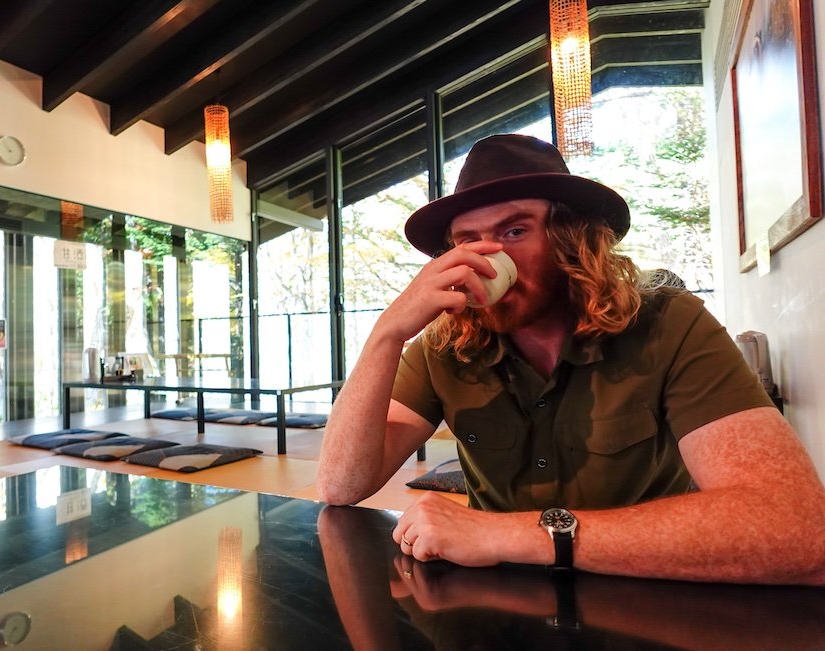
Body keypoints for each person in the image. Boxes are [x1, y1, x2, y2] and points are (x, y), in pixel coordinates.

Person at [316, 134, 825, 585]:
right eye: (468, 241)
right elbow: (341, 485)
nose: (487, 259)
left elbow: (798, 529)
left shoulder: (669, 326)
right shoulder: (443, 346)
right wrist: (388, 332)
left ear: (572, 240)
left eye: (515, 231)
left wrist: (512, 536)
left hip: (648, 596)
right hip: (498, 610)